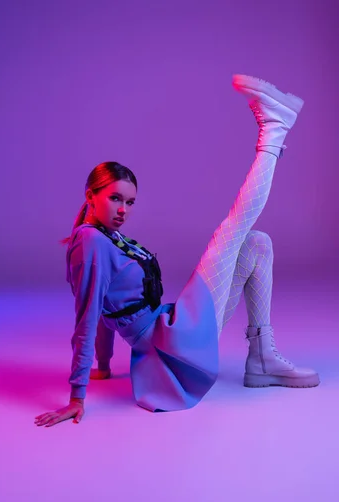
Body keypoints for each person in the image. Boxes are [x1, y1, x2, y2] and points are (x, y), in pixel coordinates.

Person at [35, 74, 319, 428]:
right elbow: (88, 316)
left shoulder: (105, 239)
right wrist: (77, 396)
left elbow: (105, 307)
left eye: (130, 202)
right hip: (169, 342)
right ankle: (274, 129)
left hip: (173, 330)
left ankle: (261, 356)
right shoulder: (90, 241)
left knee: (257, 244)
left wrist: (105, 366)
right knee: (233, 228)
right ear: (90, 195)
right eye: (114, 198)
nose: (123, 209)